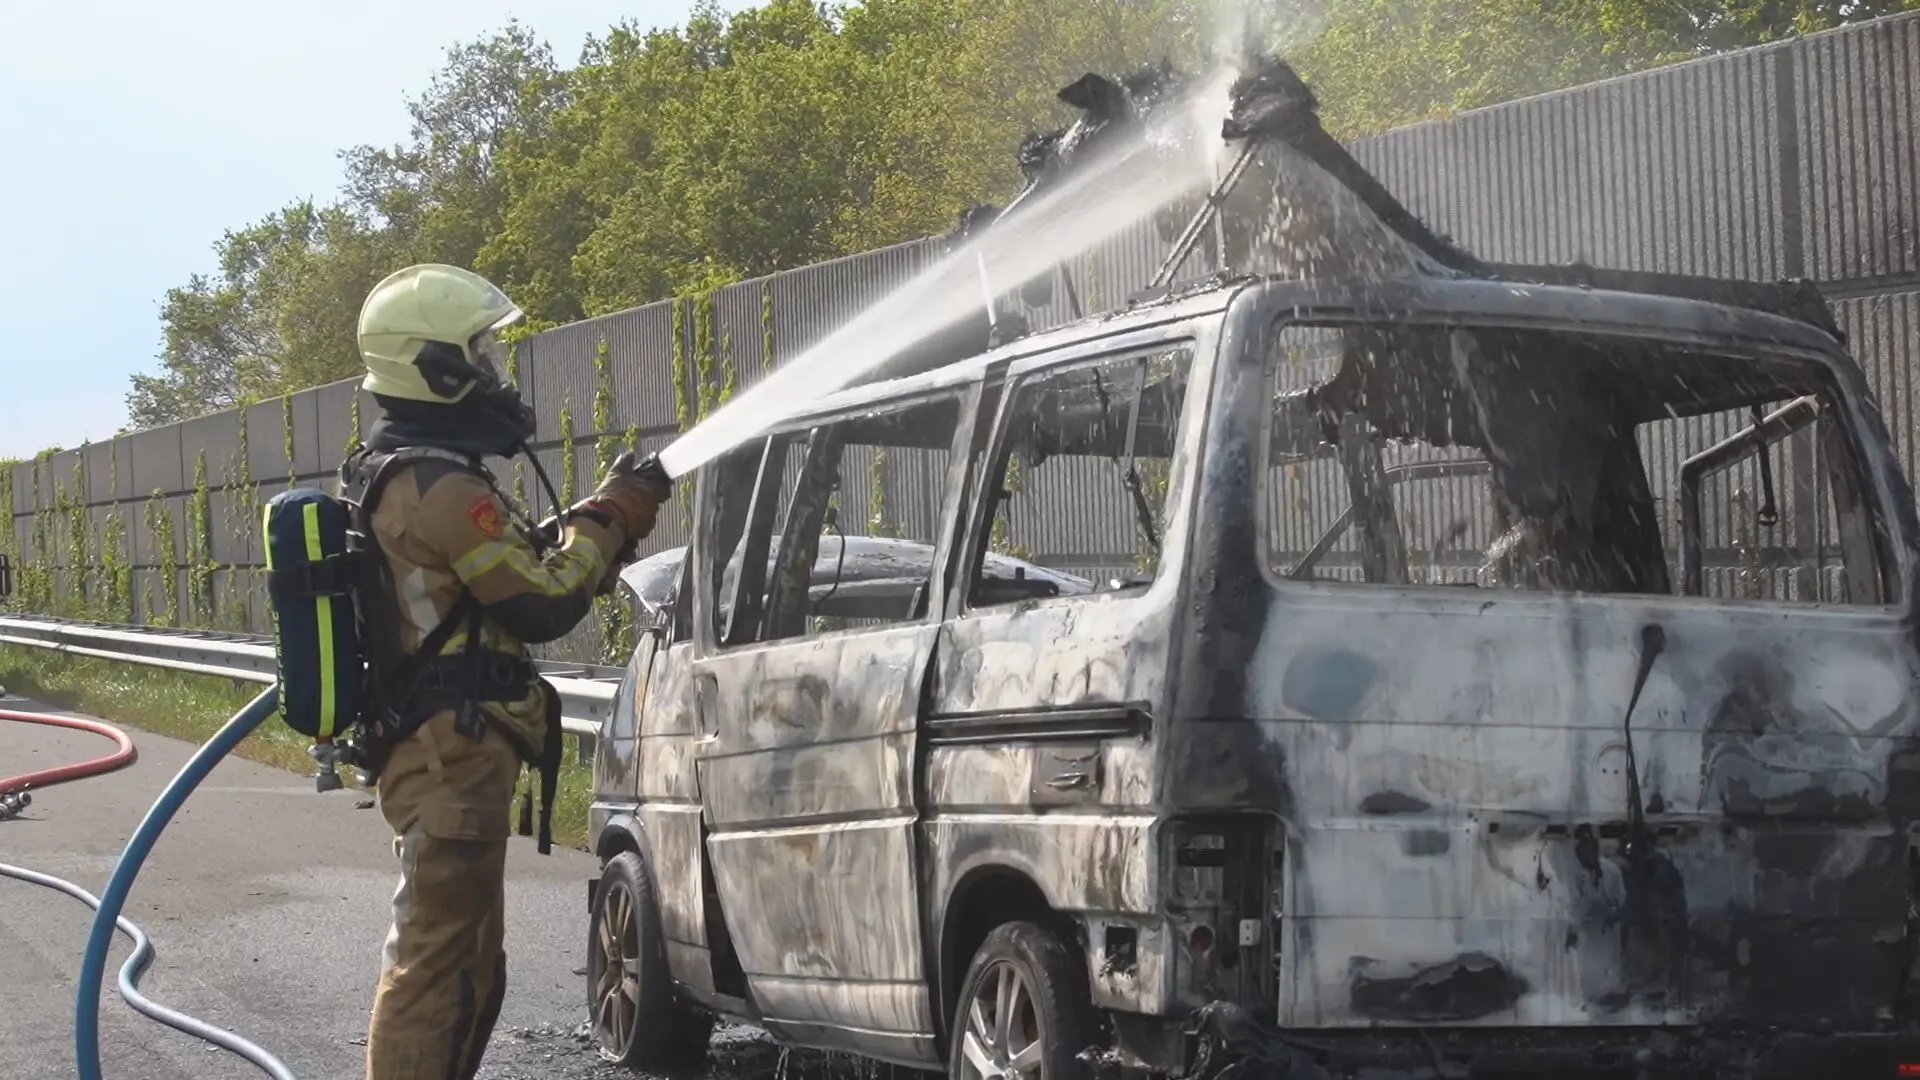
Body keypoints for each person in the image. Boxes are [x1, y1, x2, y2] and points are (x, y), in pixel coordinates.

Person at [344, 262, 672, 1080]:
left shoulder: (407, 472)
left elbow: (509, 572)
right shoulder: (442, 487)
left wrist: (602, 514)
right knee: (437, 972)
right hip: (447, 760)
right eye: (479, 355)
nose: (495, 373)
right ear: (439, 370)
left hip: (441, 754)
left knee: (466, 970)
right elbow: (540, 604)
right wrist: (612, 518)